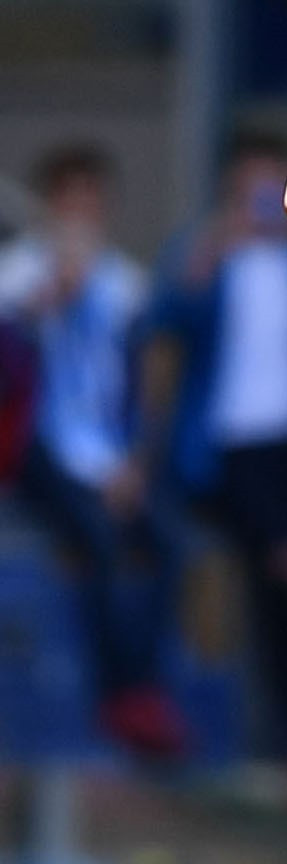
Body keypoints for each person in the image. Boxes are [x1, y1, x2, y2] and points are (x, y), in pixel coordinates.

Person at [148, 130, 287, 760]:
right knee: (283, 563)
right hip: (235, 446)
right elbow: (166, 315)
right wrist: (212, 248)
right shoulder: (211, 254)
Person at [0, 144, 186, 755]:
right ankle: (119, 694)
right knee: (99, 540)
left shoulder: (124, 284)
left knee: (165, 542)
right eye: (70, 200)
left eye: (92, 200)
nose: (81, 212)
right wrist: (40, 306)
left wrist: (134, 461)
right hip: (41, 448)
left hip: (107, 454)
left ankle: (146, 687)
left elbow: (142, 385)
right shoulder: (16, 276)